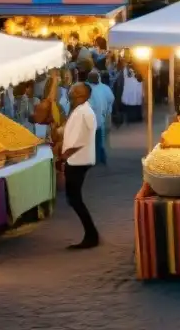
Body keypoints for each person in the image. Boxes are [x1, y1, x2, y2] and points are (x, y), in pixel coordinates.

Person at [59, 82, 99, 249]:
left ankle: (91, 236)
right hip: (75, 159)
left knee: (75, 199)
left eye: (77, 92)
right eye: (73, 90)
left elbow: (82, 139)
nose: (72, 93)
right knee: (73, 199)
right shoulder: (78, 110)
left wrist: (64, 156)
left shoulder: (85, 112)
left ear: (85, 96)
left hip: (78, 160)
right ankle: (91, 234)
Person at [87, 71, 115, 165]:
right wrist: (107, 109)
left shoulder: (86, 88)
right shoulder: (104, 88)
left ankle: (98, 159)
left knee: (95, 140)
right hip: (101, 118)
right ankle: (100, 158)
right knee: (101, 140)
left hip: (94, 120)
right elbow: (111, 99)